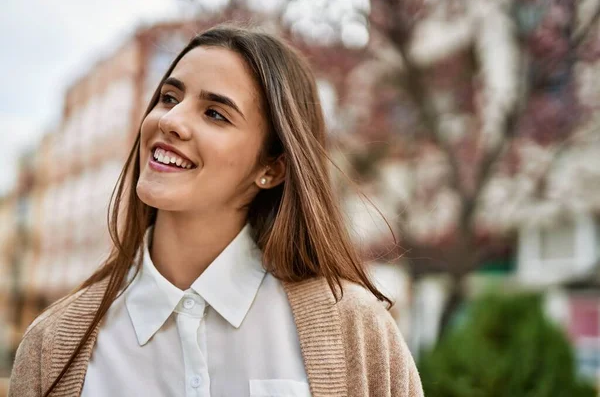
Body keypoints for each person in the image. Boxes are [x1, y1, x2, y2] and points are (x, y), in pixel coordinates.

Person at [8, 24, 424, 397]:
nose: (170, 120)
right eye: (169, 97)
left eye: (214, 113)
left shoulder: (354, 329)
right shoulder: (54, 343)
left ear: (272, 166)